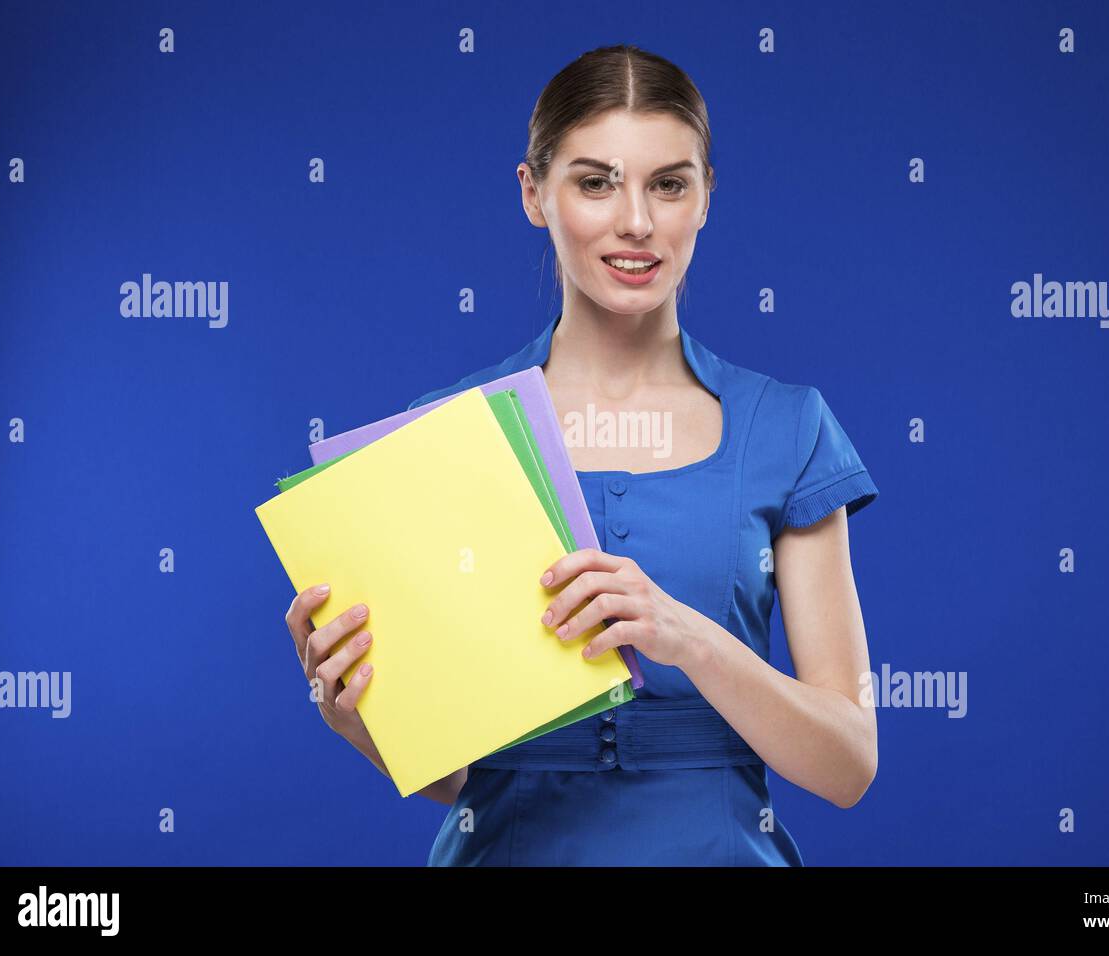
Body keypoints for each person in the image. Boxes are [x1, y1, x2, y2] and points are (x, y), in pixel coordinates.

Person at [284, 43, 880, 866]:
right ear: (534, 194)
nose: (635, 221)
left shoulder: (790, 429)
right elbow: (464, 780)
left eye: (669, 184)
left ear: (706, 197)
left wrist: (686, 638)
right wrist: (357, 715)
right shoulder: (446, 435)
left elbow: (848, 763)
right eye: (595, 182)